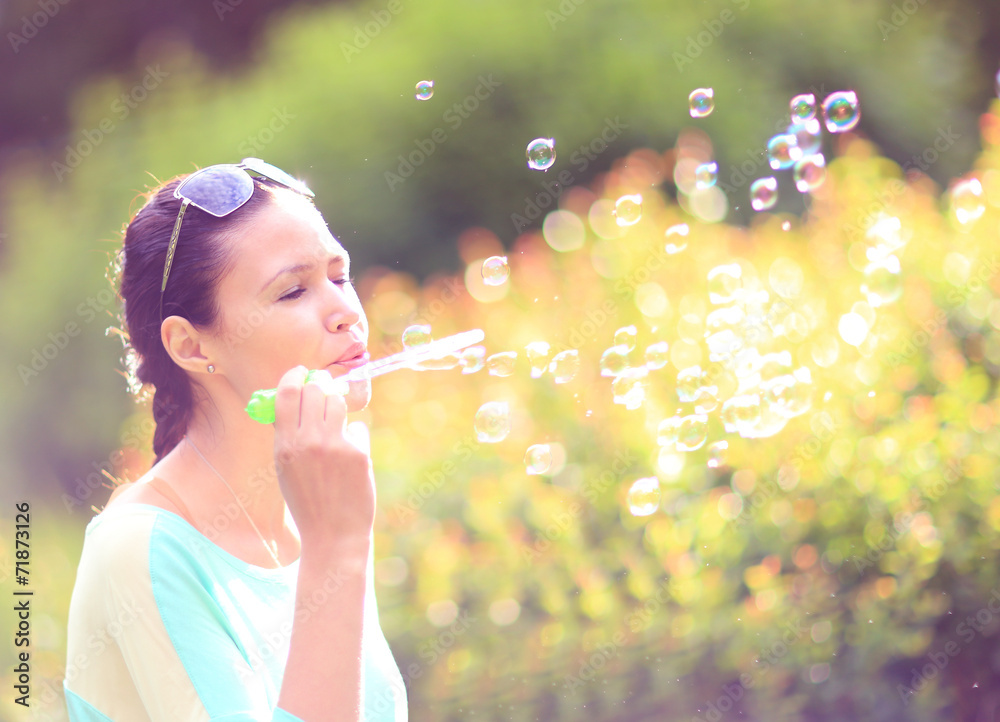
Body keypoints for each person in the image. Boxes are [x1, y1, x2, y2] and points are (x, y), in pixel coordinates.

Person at [63, 159, 408, 721]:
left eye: (339, 276)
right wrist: (336, 552)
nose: (347, 311)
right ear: (193, 347)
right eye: (293, 291)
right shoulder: (141, 551)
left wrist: (330, 545)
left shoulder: (307, 515)